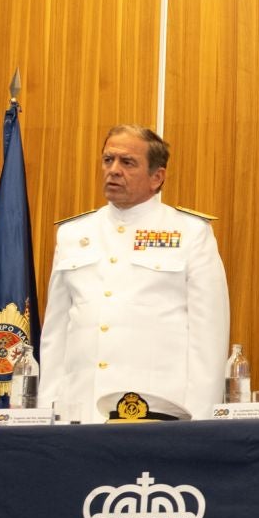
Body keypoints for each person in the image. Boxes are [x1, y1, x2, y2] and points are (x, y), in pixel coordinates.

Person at [40, 125, 230, 421]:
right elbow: (55, 333)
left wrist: (197, 422)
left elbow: (209, 339)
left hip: (156, 412)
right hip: (80, 412)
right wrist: (47, 412)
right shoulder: (73, 234)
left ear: (157, 177)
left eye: (127, 162)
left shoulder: (190, 232)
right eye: (108, 160)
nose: (113, 170)